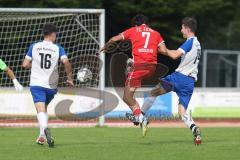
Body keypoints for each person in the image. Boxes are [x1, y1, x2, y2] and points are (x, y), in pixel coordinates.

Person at [98, 14, 167, 137]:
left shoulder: (134, 30)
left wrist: (105, 46)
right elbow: (163, 50)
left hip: (140, 67)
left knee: (126, 96)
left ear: (136, 24)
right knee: (128, 96)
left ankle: (141, 117)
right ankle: (138, 116)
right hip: (152, 67)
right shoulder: (155, 33)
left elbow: (114, 39)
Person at [151, 17, 202, 145]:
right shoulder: (197, 43)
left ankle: (139, 116)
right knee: (182, 112)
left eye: (182, 28)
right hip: (189, 82)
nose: (181, 30)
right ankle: (194, 128)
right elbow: (176, 53)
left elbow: (174, 56)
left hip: (180, 77)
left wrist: (159, 50)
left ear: (188, 29)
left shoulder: (190, 41)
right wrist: (163, 51)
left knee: (154, 91)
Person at [22, 23, 74, 147]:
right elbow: (66, 63)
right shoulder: (58, 48)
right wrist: (69, 78)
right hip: (51, 86)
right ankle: (41, 136)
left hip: (37, 84)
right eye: (55, 34)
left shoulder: (34, 46)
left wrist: (35, 66)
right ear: (52, 34)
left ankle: (44, 129)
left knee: (40, 110)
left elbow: (24, 64)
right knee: (44, 109)